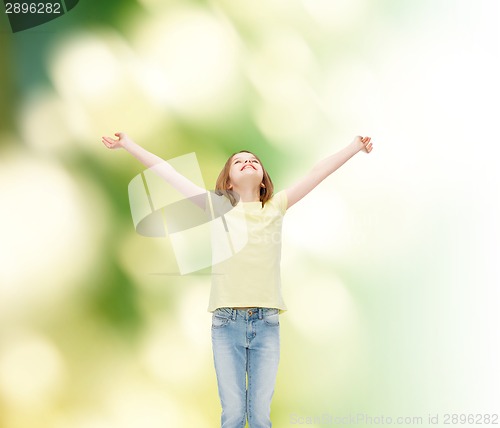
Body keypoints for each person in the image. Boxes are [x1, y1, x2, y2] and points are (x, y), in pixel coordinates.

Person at [102, 132, 373, 428]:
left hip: (267, 323)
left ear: (263, 180)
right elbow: (168, 173)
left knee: (259, 416)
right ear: (228, 182)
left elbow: (317, 172)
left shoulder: (275, 207)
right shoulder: (217, 207)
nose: (247, 162)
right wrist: (128, 144)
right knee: (232, 414)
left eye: (253, 160)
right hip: (226, 323)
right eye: (239, 161)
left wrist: (354, 147)